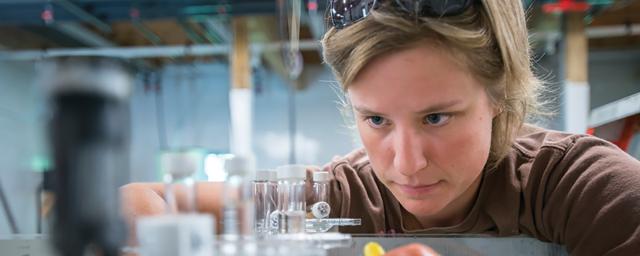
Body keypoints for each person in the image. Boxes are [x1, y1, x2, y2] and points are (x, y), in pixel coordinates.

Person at [121, 0, 640, 255]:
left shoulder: (578, 186)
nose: (405, 162)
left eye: (436, 116)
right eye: (376, 120)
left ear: (500, 94)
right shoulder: (342, 197)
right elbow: (143, 200)